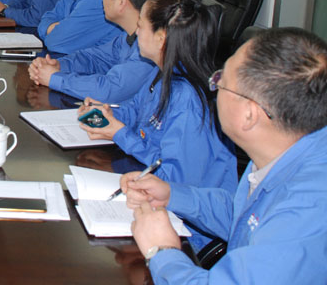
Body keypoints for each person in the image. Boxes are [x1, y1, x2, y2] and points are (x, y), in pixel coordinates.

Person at [123, 27, 327, 283]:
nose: (214, 88)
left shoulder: (305, 213)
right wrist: (173, 195)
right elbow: (246, 217)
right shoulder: (285, 152)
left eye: (220, 81)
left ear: (249, 115)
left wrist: (162, 251)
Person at [77, 0, 237, 250]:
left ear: (161, 38)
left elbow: (174, 179)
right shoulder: (163, 73)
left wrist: (120, 134)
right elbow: (134, 110)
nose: (136, 31)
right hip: (156, 203)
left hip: (186, 230)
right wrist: (104, 115)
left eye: (141, 26)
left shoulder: (189, 99)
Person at [28, 0, 157, 103]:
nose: (101, 0)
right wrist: (58, 65)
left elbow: (110, 90)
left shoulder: (150, 47)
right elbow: (95, 58)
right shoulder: (126, 37)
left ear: (121, 2)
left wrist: (54, 78)